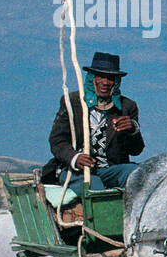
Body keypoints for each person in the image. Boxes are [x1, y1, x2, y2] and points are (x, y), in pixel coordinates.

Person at [41, 51, 145, 192]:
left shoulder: (127, 107)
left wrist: (133, 130)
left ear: (117, 81)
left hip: (111, 170)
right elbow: (57, 140)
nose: (105, 82)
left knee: (137, 173)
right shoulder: (73, 102)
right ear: (92, 78)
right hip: (77, 171)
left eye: (110, 78)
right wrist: (75, 158)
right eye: (101, 76)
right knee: (94, 188)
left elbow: (136, 150)